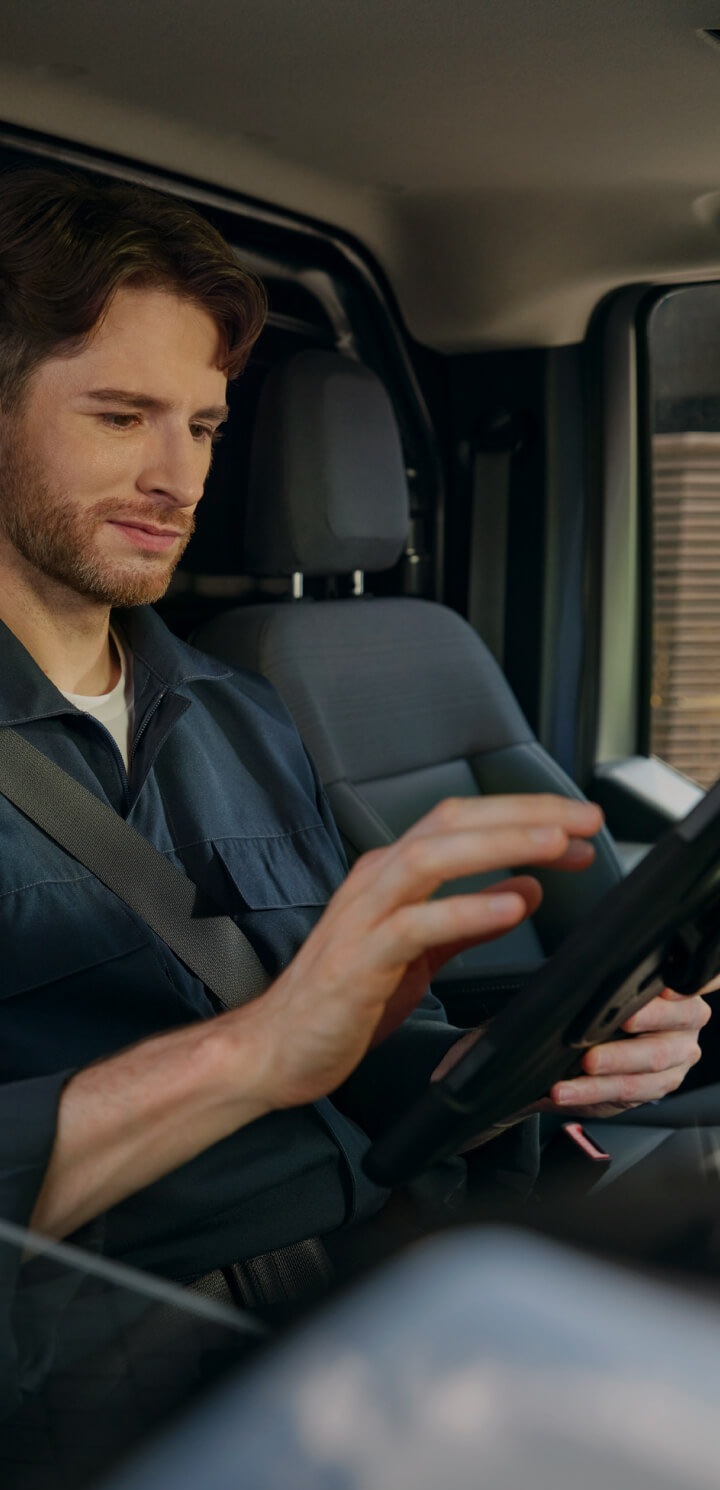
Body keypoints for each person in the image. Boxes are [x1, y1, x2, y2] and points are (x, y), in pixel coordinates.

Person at [0, 165, 710, 1294]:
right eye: (121, 416)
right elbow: (276, 1046)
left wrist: (522, 1065)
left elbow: (370, 1054)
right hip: (108, 1355)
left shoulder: (241, 714)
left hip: (384, 1271)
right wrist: (247, 1056)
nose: (177, 477)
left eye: (203, 425)